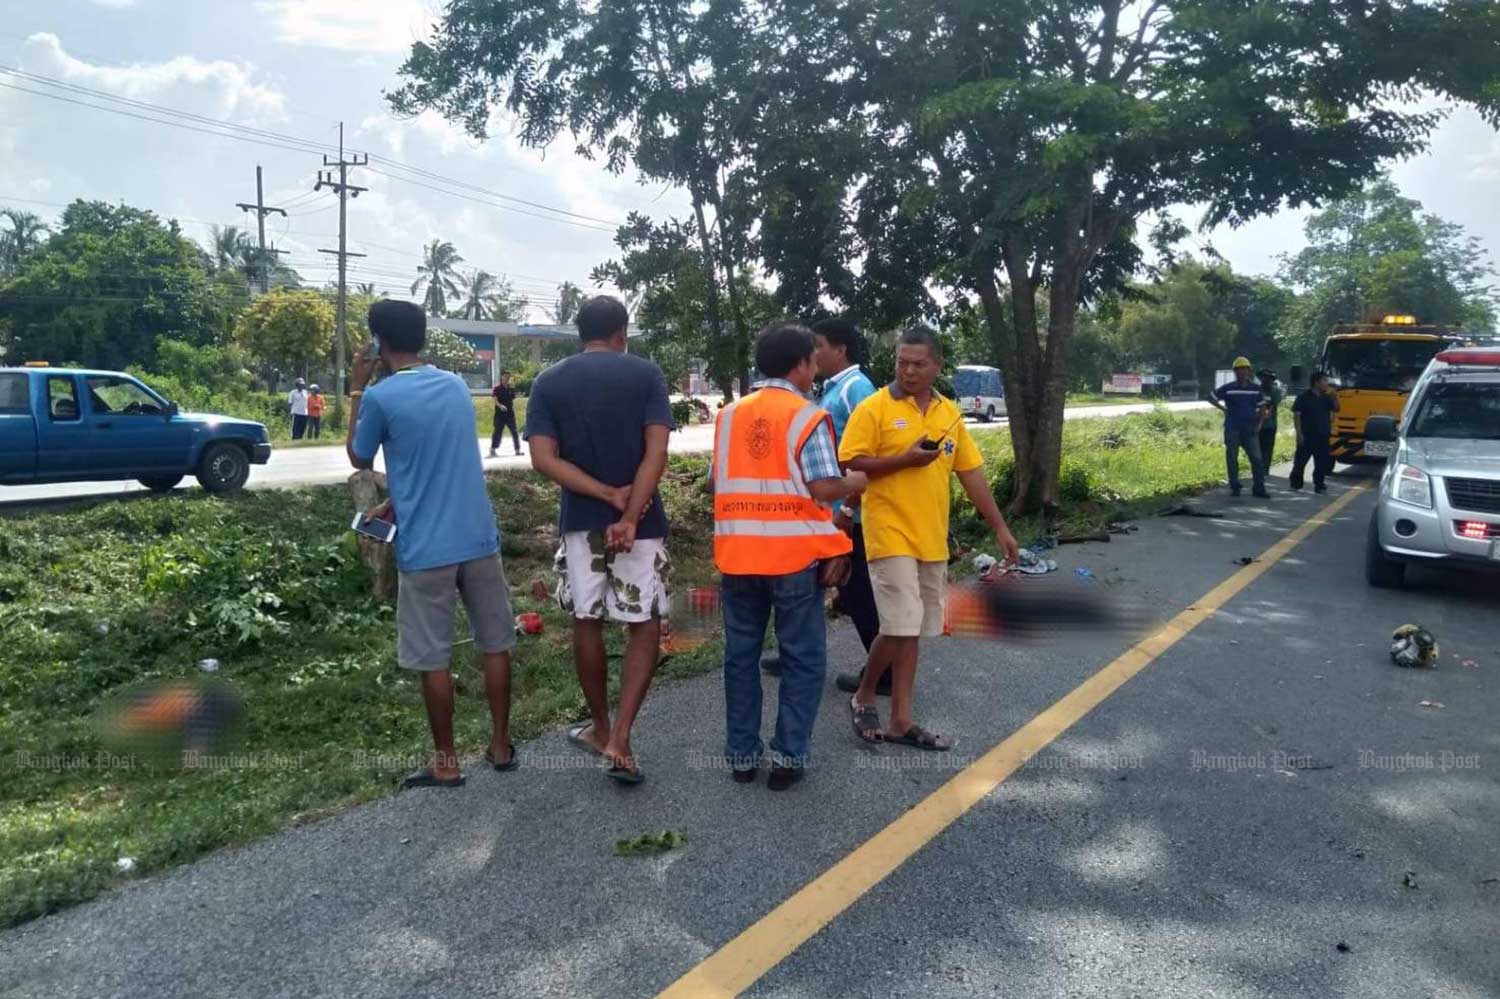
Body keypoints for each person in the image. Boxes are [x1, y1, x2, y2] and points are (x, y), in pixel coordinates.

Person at [347, 300, 518, 788]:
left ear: (379, 342)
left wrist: (357, 387)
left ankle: (447, 762)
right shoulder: (456, 386)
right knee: (496, 644)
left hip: (427, 550)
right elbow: (437, 461)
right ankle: (501, 746)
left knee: (432, 657)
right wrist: (397, 502)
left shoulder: (381, 396)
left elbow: (359, 455)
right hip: (478, 537)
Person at [840, 328, 1020, 750]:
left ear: (938, 365)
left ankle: (902, 719)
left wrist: (999, 526)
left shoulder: (949, 414)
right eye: (902, 361)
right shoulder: (875, 408)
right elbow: (850, 462)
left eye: (918, 363)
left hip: (931, 537)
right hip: (889, 533)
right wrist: (906, 459)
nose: (908, 370)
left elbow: (970, 472)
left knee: (914, 629)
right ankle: (865, 693)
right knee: (899, 623)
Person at [714, 323, 867, 790]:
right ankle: (787, 757)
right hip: (793, 561)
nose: (816, 368)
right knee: (803, 659)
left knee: (740, 657)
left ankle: (742, 757)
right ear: (800, 364)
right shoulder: (808, 417)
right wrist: (855, 484)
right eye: (813, 360)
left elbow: (714, 479)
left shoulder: (727, 416)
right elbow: (823, 487)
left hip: (738, 555)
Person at [526, 295, 672, 784]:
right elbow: (657, 453)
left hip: (581, 523)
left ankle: (600, 726)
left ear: (579, 332)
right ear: (621, 333)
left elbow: (544, 459)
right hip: (642, 524)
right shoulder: (646, 375)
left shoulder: (549, 382)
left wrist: (602, 493)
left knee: (586, 620)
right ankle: (622, 738)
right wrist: (629, 512)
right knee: (642, 622)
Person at [1206, 357, 1270, 498]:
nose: (1242, 372)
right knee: (1232, 458)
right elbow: (1211, 397)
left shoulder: (1255, 389)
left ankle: (1259, 488)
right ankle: (1235, 486)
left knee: (1257, 460)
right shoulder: (1228, 388)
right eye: (1238, 370)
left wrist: (1259, 424)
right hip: (1232, 429)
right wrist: (1223, 409)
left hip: (1250, 429)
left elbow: (1262, 407)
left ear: (1249, 371)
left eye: (1244, 369)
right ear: (1235, 372)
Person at [1290, 370, 1340, 493]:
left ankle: (1319, 484)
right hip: (1307, 435)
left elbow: (1337, 409)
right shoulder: (1303, 397)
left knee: (1321, 462)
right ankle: (1296, 482)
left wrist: (1335, 397)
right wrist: (1299, 433)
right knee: (1300, 462)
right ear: (1316, 382)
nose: (1327, 384)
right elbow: (1297, 415)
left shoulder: (1327, 398)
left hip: (1322, 435)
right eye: (1324, 381)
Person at [1256, 368, 1284, 479]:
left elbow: (1273, 405)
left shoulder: (1275, 391)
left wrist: (1267, 414)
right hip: (1257, 424)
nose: (1266, 380)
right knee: (1257, 446)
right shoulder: (1257, 390)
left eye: (1269, 378)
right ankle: (1258, 467)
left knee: (1268, 447)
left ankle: (1265, 468)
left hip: (1270, 424)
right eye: (1264, 378)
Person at [489, 370, 521, 458]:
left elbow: (512, 398)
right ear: (502, 377)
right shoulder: (497, 388)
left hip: (510, 414)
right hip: (500, 414)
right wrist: (500, 406)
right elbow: (495, 400)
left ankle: (517, 450)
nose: (507, 378)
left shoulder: (511, 389)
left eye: (508, 377)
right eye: (505, 376)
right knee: (498, 432)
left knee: (514, 431)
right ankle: (493, 449)